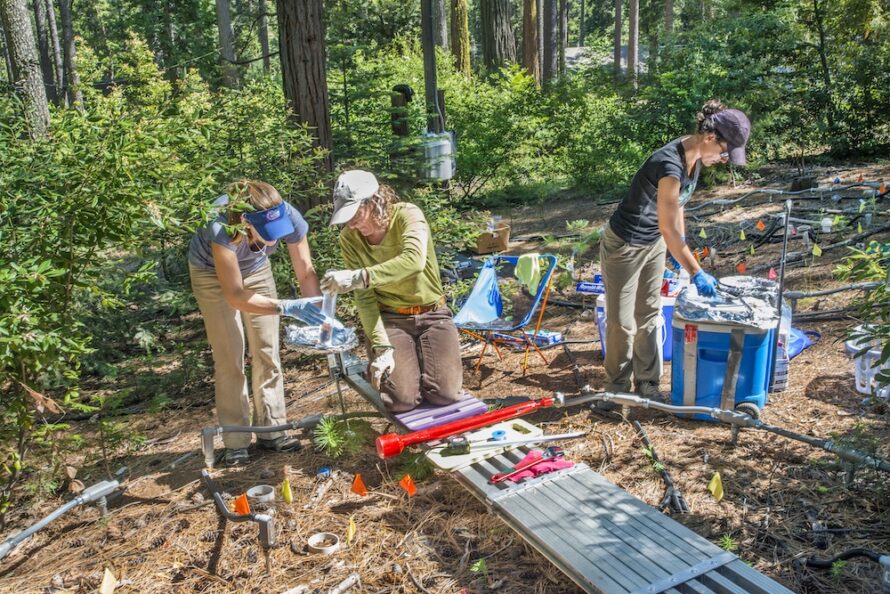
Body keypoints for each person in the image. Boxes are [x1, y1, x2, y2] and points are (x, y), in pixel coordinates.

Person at [600, 100, 750, 400]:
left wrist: (683, 255)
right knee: (621, 322)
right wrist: (696, 271)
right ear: (710, 137)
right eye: (723, 152)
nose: (723, 159)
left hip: (653, 241)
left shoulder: (692, 159)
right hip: (625, 244)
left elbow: (676, 211)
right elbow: (669, 229)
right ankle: (616, 391)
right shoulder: (669, 165)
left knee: (649, 312)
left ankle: (648, 383)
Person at [188, 180, 325, 466]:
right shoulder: (221, 227)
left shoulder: (289, 215)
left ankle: (272, 430)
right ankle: (236, 439)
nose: (273, 241)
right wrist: (286, 306)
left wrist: (320, 317)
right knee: (229, 355)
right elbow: (236, 296)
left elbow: (306, 273)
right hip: (212, 275)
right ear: (245, 222)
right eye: (266, 234)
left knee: (267, 348)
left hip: (257, 269)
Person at [320, 170, 464, 413]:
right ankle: (393, 365)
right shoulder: (349, 238)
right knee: (401, 401)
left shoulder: (408, 215)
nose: (352, 223)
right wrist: (382, 346)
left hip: (433, 314)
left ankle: (419, 367)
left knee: (446, 395)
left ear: (375, 200)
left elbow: (413, 262)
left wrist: (361, 276)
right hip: (391, 319)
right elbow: (364, 299)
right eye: (347, 217)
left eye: (356, 213)